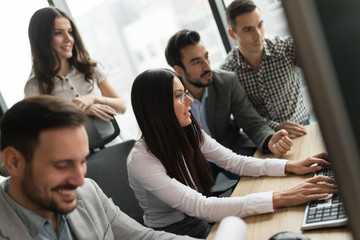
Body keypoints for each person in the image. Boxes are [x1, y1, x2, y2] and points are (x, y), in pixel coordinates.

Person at [127, 68, 336, 238]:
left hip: (202, 222)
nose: (189, 101)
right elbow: (200, 206)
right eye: (178, 96)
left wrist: (290, 166)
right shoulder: (141, 160)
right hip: (172, 234)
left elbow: (234, 161)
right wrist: (282, 197)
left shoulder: (188, 131)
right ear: (158, 107)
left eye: (185, 93)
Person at [0, 95, 196, 240]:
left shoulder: (87, 191)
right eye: (62, 165)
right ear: (14, 162)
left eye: (82, 161)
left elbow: (142, 237)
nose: (79, 180)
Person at [165, 29, 292, 158]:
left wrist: (269, 140)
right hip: (193, 158)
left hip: (229, 148)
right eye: (197, 62)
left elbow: (252, 122)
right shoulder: (168, 97)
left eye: (206, 57)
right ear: (179, 70)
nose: (207, 66)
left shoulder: (227, 82)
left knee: (264, 169)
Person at [24, 7, 126, 145]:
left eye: (70, 32)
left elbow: (121, 107)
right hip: (76, 158)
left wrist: (93, 98)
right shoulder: (34, 87)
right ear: (42, 39)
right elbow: (40, 132)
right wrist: (79, 111)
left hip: (115, 144)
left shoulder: (91, 68)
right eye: (58, 33)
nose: (68, 39)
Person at [221, 0, 309, 139]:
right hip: (263, 140)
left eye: (260, 25)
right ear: (232, 34)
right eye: (248, 29)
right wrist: (274, 127)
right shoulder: (228, 72)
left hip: (302, 130)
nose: (258, 35)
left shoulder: (285, 49)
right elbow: (241, 116)